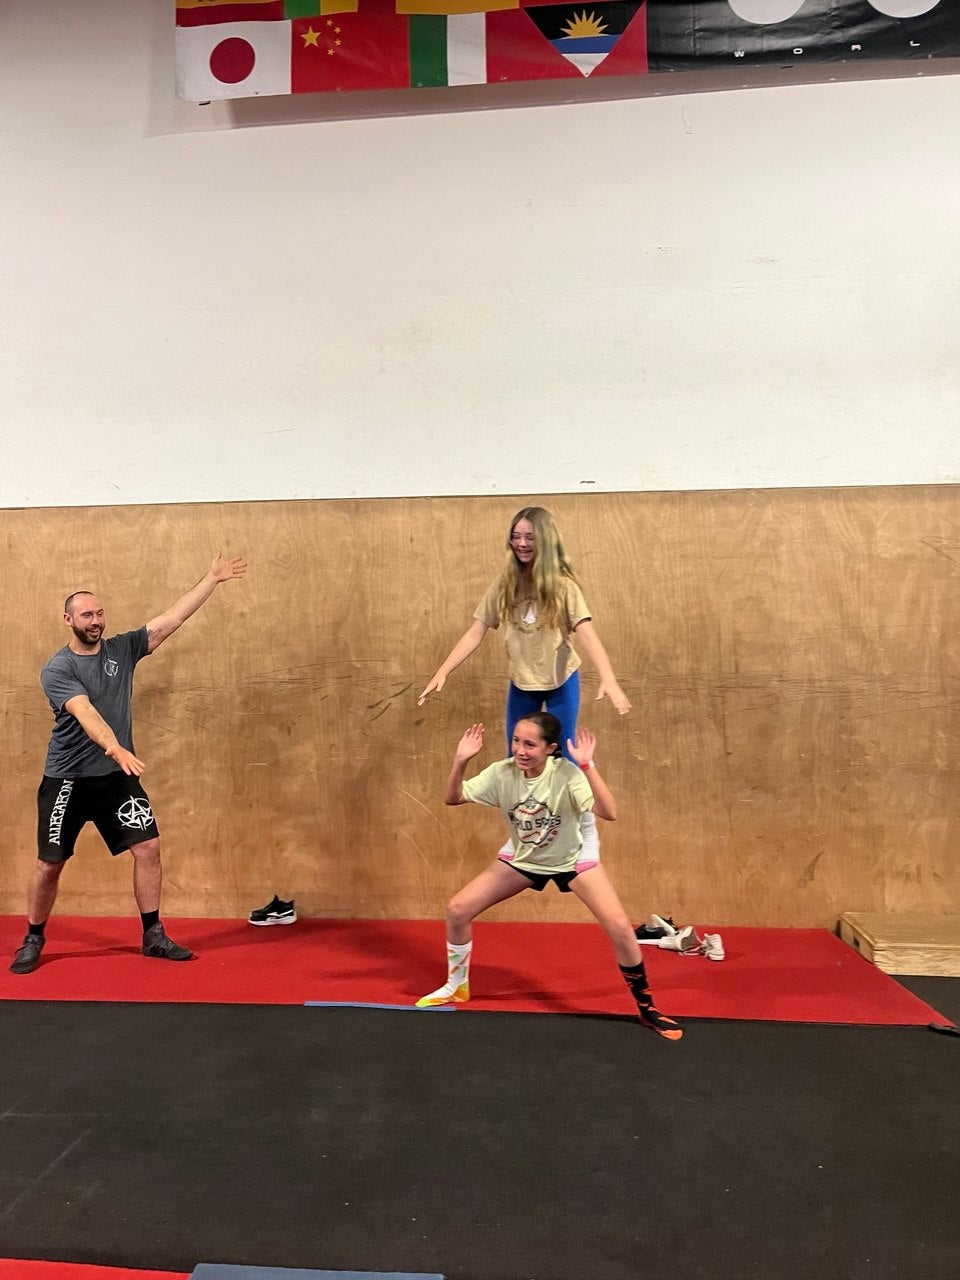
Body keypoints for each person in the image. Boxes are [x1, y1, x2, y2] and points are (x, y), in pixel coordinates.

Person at [9, 554, 247, 975]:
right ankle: (33, 937)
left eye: (99, 613)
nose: (95, 620)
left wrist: (211, 579)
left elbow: (169, 620)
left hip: (116, 778)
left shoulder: (121, 649)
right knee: (50, 864)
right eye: (86, 615)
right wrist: (116, 748)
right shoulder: (59, 669)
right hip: (68, 779)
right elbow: (85, 713)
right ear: (68, 620)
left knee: (149, 847)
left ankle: (153, 934)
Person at [416, 714, 682, 1041]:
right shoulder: (503, 773)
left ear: (550, 748)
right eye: (516, 741)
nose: (520, 750)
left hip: (572, 859)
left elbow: (609, 812)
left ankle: (647, 1008)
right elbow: (453, 797)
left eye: (530, 744)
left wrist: (588, 766)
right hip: (526, 857)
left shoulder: (566, 774)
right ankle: (457, 987)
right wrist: (460, 761)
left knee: (618, 927)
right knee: (458, 909)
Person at [418, 505, 631, 758]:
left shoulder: (563, 587)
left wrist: (609, 679)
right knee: (517, 754)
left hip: (561, 680)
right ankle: (523, 799)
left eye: (530, 537)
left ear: (545, 541)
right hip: (522, 681)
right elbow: (476, 631)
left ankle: (570, 798)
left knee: (564, 755)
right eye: (516, 537)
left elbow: (587, 633)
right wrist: (443, 671)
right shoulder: (505, 584)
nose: (521, 543)